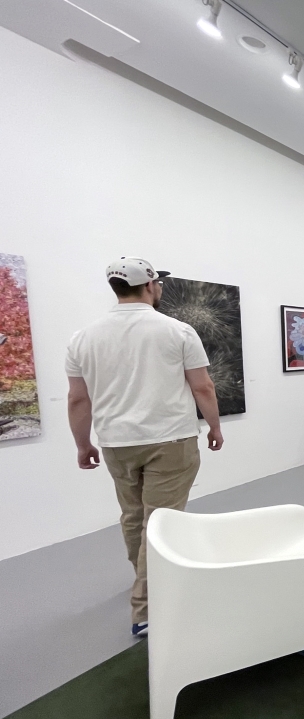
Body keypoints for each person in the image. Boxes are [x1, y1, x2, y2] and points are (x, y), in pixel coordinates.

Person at [66, 258, 224, 639]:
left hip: (116, 444)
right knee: (161, 522)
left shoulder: (82, 338)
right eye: (159, 283)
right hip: (170, 441)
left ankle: (144, 578)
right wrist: (215, 426)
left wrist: (83, 444)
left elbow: (77, 399)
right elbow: (203, 387)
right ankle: (147, 609)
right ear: (150, 285)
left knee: (134, 516)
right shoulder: (178, 331)